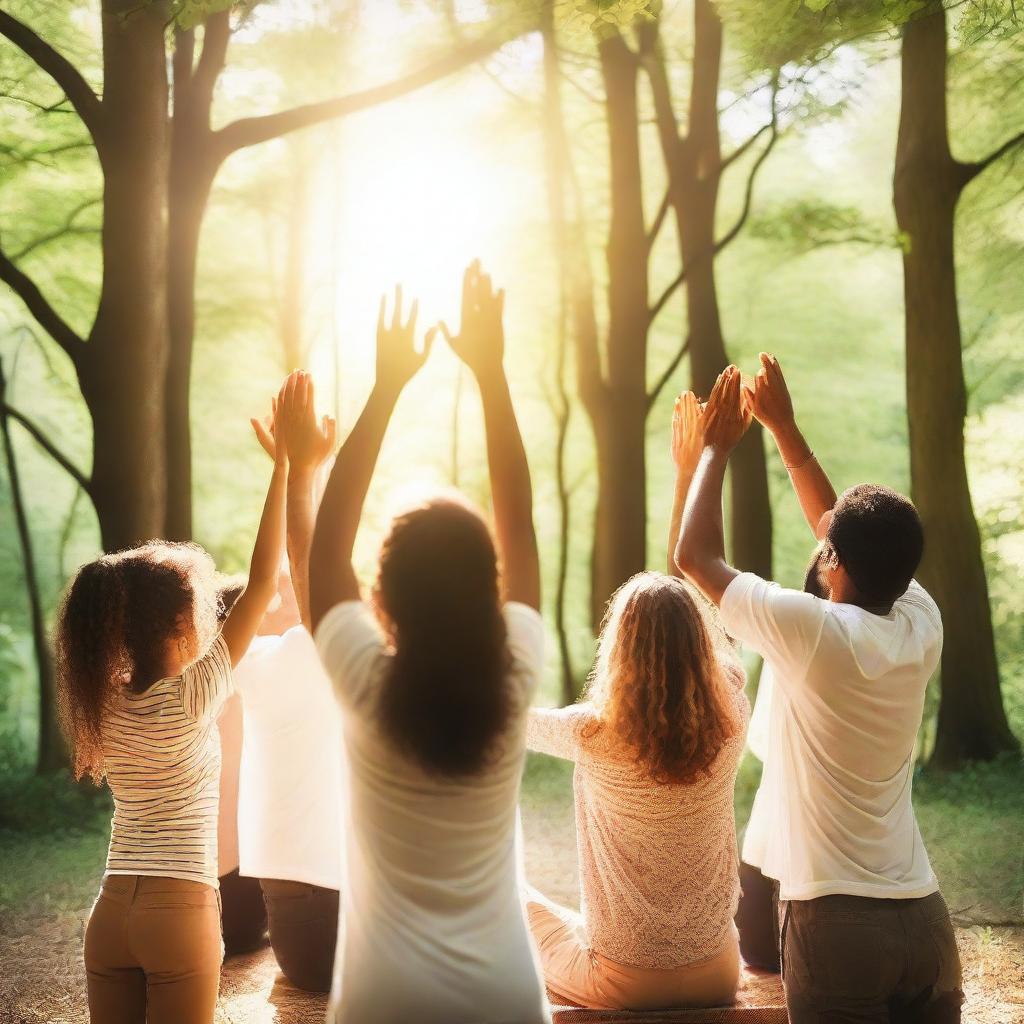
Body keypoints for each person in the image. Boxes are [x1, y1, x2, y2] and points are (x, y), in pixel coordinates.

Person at [675, 356, 963, 1023]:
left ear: (832, 562)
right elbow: (844, 533)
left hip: (838, 927)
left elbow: (694, 558)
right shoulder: (922, 621)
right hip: (926, 921)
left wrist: (715, 448)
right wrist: (787, 432)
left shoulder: (812, 633)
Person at [305, 264, 549, 1024]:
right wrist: (491, 371)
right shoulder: (516, 670)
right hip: (506, 996)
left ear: (384, 596)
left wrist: (386, 387)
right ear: (489, 586)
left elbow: (324, 549)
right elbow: (520, 519)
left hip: (384, 1001)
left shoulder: (363, 681)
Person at [55, 378, 292, 1024]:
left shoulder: (101, 701)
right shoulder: (193, 693)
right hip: (179, 913)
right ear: (177, 627)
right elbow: (264, 581)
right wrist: (284, 469)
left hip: (109, 917)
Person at [523, 390, 749, 1012]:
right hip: (717, 973)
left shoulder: (590, 733)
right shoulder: (731, 718)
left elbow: (503, 719)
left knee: (510, 896)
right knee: (566, 918)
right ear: (702, 645)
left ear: (616, 652)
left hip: (620, 982)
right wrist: (690, 474)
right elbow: (696, 594)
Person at [232, 382, 343, 991]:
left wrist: (299, 470)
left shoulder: (257, 667)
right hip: (334, 929)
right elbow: (309, 571)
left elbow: (308, 572)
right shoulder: (303, 657)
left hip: (303, 940)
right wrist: (303, 472)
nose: (285, 589)